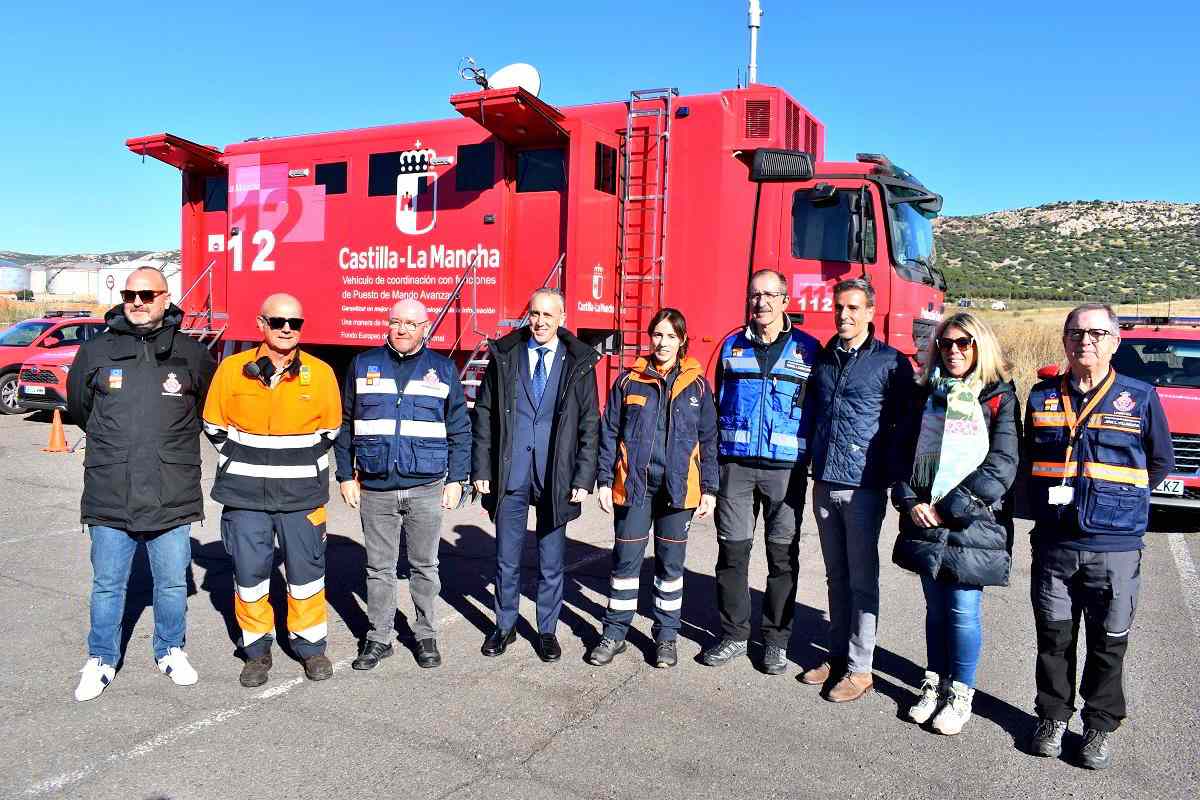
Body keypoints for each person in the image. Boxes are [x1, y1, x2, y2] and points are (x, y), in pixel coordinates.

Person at [1024, 303, 1174, 769]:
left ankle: (1098, 728)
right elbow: (1029, 463)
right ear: (1065, 340)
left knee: (1109, 643)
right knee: (1054, 639)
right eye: (1074, 332)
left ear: (1114, 340)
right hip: (1055, 544)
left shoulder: (1140, 397)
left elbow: (1160, 463)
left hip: (1116, 547)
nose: (1083, 341)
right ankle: (1052, 717)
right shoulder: (1041, 397)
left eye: (1095, 333)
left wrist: (1118, 504)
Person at [66, 267, 215, 701]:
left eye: (148, 294)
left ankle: (170, 649)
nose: (137, 301)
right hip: (110, 489)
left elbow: (208, 408)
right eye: (131, 293)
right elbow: (81, 409)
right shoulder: (95, 352)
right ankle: (101, 658)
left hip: (173, 490)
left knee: (170, 583)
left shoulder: (192, 353)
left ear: (166, 298)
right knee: (108, 583)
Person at [202, 294, 342, 687]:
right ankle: (256, 651)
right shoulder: (232, 371)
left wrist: (294, 464)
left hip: (301, 498)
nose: (286, 328)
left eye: (294, 322)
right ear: (261, 323)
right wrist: (244, 460)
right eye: (278, 320)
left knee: (306, 575)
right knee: (249, 576)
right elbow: (213, 425)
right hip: (244, 497)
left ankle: (310, 648)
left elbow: (330, 430)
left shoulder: (320, 373)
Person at [891, 312, 1019, 735]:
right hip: (925, 516)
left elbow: (1002, 465)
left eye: (964, 343)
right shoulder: (926, 393)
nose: (954, 350)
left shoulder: (998, 396)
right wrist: (909, 499)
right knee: (935, 610)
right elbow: (904, 452)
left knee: (963, 611)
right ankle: (934, 683)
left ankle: (960, 693)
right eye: (946, 343)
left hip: (972, 523)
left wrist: (949, 507)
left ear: (979, 346)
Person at [333, 299, 471, 671]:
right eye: (396, 322)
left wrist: (457, 479)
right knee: (379, 568)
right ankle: (379, 637)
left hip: (426, 486)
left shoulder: (442, 369)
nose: (403, 329)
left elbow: (459, 427)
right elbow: (345, 423)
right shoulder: (364, 364)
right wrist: (345, 475)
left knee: (425, 565)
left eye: (411, 323)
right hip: (376, 486)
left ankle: (426, 635)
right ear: (388, 324)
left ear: (425, 327)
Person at [471, 288, 601, 662]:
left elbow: (589, 424)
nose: (541, 321)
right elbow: (484, 414)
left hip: (555, 476)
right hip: (510, 472)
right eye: (535, 314)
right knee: (506, 558)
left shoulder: (577, 361)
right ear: (527, 315)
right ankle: (504, 625)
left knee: (550, 560)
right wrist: (482, 467)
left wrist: (582, 477)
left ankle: (547, 630)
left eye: (549, 314)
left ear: (562, 318)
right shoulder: (506, 356)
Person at [700, 269, 820, 674]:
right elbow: (714, 410)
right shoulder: (731, 346)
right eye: (755, 295)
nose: (762, 302)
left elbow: (819, 412)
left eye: (771, 295)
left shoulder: (809, 349)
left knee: (781, 558)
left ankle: (776, 642)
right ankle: (734, 635)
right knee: (732, 554)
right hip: (736, 466)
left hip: (785, 471)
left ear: (786, 301)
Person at [800, 278, 913, 701]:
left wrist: (896, 479)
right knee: (836, 576)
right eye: (839, 307)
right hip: (824, 480)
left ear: (870, 312)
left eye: (852, 308)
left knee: (862, 578)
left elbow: (904, 428)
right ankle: (837, 654)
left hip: (863, 486)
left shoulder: (890, 363)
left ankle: (861, 668)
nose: (843, 315)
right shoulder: (825, 359)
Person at [588, 309, 719, 669]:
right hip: (634, 486)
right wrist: (603, 479)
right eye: (657, 335)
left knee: (670, 567)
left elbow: (709, 438)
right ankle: (614, 633)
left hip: (679, 490)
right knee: (625, 564)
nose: (662, 343)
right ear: (650, 338)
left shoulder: (697, 385)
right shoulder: (630, 381)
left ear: (682, 341)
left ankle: (666, 638)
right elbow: (609, 432)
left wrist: (709, 486)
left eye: (670, 337)